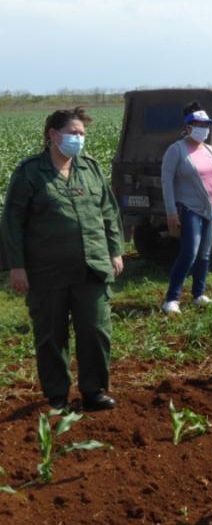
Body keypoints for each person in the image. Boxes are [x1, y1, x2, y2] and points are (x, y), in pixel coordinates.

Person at [0, 107, 124, 411]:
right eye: (73, 133)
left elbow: (109, 212)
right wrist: (17, 266)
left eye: (82, 134)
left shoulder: (90, 168)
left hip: (92, 267)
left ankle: (93, 391)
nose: (78, 139)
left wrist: (115, 250)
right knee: (51, 336)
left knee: (96, 331)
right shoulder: (30, 172)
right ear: (53, 135)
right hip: (47, 272)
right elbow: (12, 221)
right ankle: (57, 396)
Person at [160, 102, 212, 314]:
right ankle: (172, 298)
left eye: (206, 124)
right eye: (198, 124)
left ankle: (199, 294)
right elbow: (166, 181)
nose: (203, 128)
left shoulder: (210, 149)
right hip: (190, 209)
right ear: (188, 127)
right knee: (189, 253)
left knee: (205, 254)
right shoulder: (176, 150)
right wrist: (171, 212)